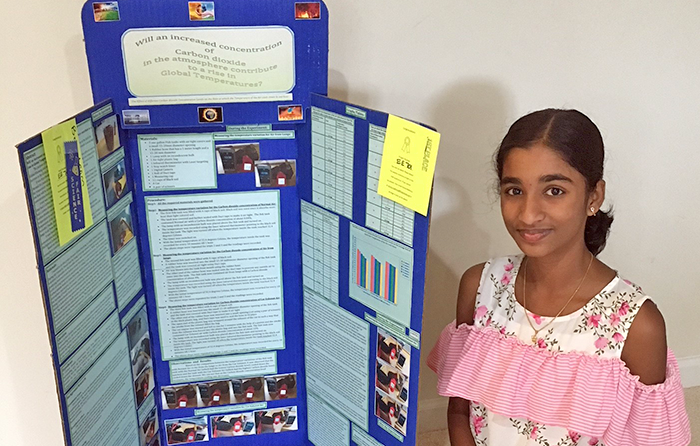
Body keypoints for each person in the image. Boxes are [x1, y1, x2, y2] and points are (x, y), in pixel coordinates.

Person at [427, 109, 691, 446]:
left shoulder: (637, 326)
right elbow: (460, 410)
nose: (528, 214)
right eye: (514, 191)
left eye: (553, 191)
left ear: (593, 197)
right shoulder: (480, 287)